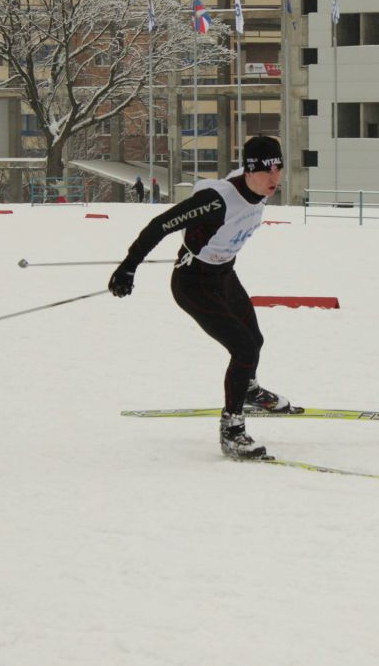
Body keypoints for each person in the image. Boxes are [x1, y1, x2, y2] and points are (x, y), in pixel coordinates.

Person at [109, 135, 290, 459]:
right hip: (193, 283)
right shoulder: (216, 201)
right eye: (267, 170)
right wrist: (128, 267)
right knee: (243, 348)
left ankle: (247, 389)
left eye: (279, 168)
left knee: (255, 340)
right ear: (249, 170)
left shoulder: (258, 187)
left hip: (224, 275)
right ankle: (231, 430)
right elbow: (160, 225)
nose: (274, 177)